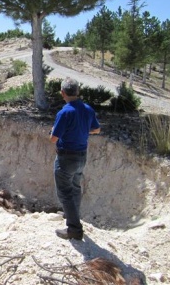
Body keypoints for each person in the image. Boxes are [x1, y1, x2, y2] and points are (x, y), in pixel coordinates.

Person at [50, 77, 101, 241]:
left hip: (66, 157)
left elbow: (53, 138)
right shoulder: (87, 109)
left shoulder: (64, 112)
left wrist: (53, 131)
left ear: (62, 93)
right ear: (78, 92)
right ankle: (73, 217)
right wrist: (84, 131)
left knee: (64, 192)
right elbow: (97, 130)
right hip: (81, 155)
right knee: (75, 188)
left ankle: (74, 229)